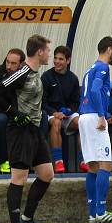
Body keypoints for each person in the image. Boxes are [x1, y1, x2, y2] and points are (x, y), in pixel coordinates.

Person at [0, 35, 55, 223]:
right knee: (19, 177)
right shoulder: (22, 72)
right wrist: (13, 113)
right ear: (39, 52)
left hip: (34, 130)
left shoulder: (36, 73)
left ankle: (28, 218)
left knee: (47, 174)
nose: (49, 55)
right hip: (20, 131)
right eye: (48, 51)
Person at [80, 36, 112, 223]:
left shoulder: (91, 69)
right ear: (108, 50)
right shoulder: (103, 67)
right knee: (106, 164)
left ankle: (92, 214)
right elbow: (95, 90)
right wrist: (101, 115)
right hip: (93, 117)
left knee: (93, 166)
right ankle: (101, 211)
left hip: (83, 117)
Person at [40, 45, 83, 173]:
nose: (57, 61)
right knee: (56, 123)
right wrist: (54, 112)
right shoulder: (46, 77)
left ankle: (83, 160)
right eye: (55, 58)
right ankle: (58, 162)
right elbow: (42, 102)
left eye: (61, 59)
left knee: (81, 122)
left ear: (68, 61)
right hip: (50, 113)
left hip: (66, 114)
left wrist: (68, 111)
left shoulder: (73, 78)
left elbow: (76, 102)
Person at [0, 48, 25, 174]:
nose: (9, 66)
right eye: (7, 62)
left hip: (16, 110)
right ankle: (4, 162)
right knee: (1, 120)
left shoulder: (24, 74)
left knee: (38, 119)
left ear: (21, 64)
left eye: (13, 63)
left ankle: (29, 161)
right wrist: (13, 112)